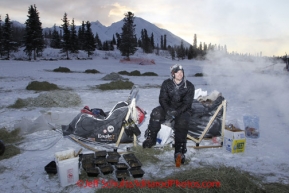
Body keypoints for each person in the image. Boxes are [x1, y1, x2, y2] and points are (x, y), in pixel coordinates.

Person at [142, 64, 195, 164]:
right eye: (177, 72)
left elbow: (187, 103)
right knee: (156, 112)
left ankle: (179, 150)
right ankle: (151, 139)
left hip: (183, 110)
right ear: (173, 74)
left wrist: (177, 112)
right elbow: (162, 99)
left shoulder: (189, 86)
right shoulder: (166, 83)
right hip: (168, 107)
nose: (180, 74)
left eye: (181, 72)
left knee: (182, 122)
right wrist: (168, 110)